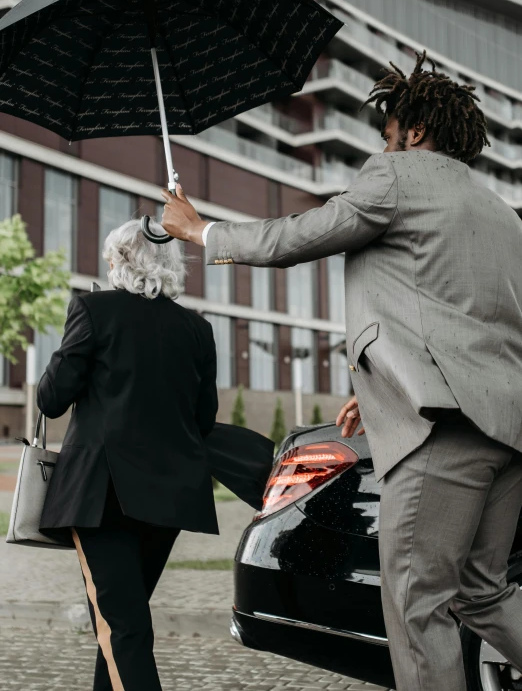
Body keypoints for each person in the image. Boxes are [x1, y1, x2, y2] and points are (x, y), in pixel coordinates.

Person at [160, 51, 522, 691]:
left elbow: (298, 236)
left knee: (415, 603)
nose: (382, 147)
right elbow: (465, 322)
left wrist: (201, 231)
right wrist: (378, 385)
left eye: (386, 135)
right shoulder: (501, 214)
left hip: (442, 433)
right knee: (482, 591)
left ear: (410, 132)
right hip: (509, 431)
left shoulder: (396, 177)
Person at [37, 219, 218, 691]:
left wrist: (73, 340)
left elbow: (51, 398)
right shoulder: (198, 330)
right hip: (169, 498)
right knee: (120, 626)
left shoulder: (93, 309)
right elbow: (204, 419)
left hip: (104, 496)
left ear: (121, 260)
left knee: (122, 628)